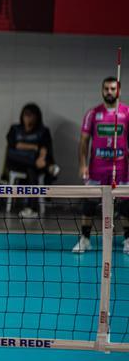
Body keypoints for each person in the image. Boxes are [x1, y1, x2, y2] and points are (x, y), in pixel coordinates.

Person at [75, 77, 129, 254]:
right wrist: (83, 165)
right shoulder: (93, 114)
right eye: (106, 88)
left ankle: (128, 240)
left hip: (121, 169)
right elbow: (83, 142)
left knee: (125, 206)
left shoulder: (127, 112)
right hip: (96, 169)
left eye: (113, 89)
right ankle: (85, 239)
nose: (109, 92)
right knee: (89, 205)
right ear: (102, 90)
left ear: (118, 90)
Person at [5, 103, 58, 218]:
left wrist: (42, 157)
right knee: (11, 153)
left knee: (32, 170)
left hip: (35, 165)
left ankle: (31, 209)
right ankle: (48, 167)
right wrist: (34, 148)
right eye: (26, 115)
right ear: (22, 116)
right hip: (17, 162)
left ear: (37, 117)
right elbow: (15, 145)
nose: (28, 118)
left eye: (31, 115)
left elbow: (45, 148)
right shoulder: (15, 129)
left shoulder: (43, 131)